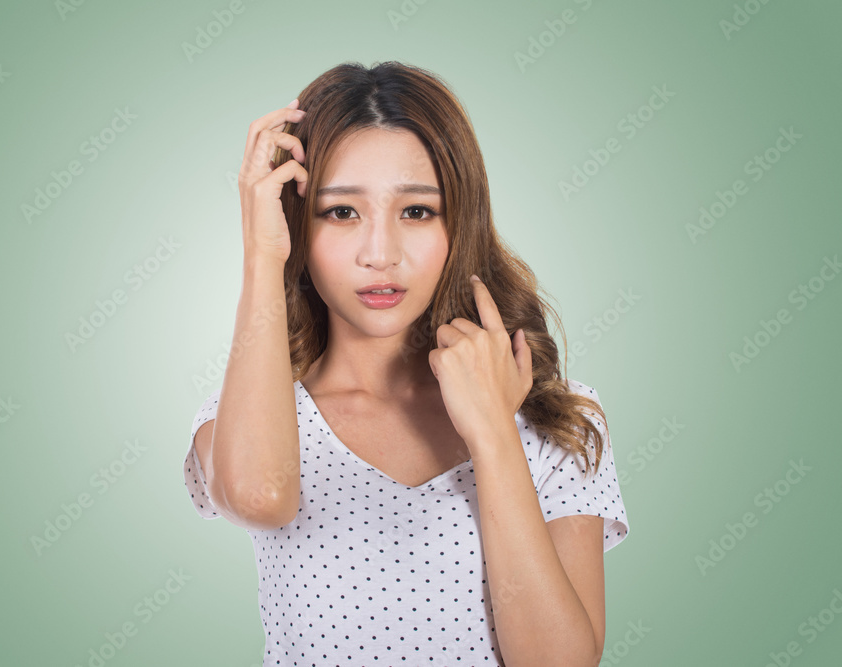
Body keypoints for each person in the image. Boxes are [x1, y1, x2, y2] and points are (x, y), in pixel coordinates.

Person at [183, 60, 629, 666]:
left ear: (459, 224)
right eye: (341, 212)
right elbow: (259, 498)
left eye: (416, 211)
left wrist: (494, 432)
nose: (380, 254)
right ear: (299, 225)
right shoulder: (252, 414)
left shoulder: (557, 418)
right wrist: (263, 253)